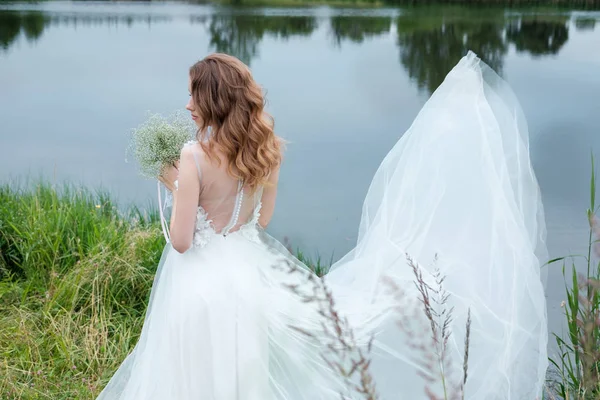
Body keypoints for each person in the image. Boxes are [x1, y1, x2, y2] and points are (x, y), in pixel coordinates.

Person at [96, 51, 548, 400]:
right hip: (248, 273)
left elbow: (179, 241)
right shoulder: (267, 147)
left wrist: (172, 183)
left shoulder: (193, 157)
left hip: (200, 280)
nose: (187, 104)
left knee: (191, 366)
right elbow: (261, 220)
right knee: (243, 368)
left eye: (194, 94)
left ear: (213, 98)